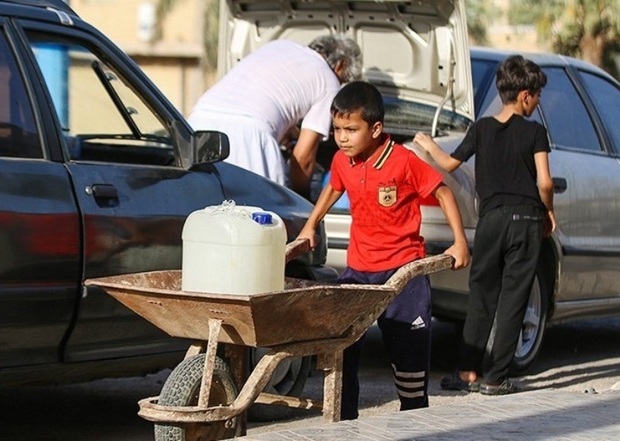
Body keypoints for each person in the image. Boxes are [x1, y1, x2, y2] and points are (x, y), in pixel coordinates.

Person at [298, 81, 470, 419]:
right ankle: (345, 422)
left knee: (408, 359)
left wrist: (460, 241)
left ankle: (414, 419)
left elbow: (443, 193)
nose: (342, 137)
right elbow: (333, 187)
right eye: (336, 129)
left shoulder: (403, 161)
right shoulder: (341, 160)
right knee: (343, 351)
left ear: (376, 129)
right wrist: (310, 223)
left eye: (351, 129)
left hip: (403, 272)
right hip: (359, 270)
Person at [414, 54, 557, 395]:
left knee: (481, 294)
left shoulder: (481, 129)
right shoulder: (536, 133)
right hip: (525, 220)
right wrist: (548, 212)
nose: (537, 104)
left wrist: (427, 144)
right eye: (537, 97)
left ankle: (467, 372)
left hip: (491, 220)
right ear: (525, 94)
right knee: (513, 297)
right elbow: (546, 183)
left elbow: (448, 162)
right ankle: (496, 377)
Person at [187, 35, 362, 199]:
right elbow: (302, 159)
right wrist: (303, 203)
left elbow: (266, 93)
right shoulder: (329, 81)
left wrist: (286, 130)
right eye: (342, 81)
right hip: (248, 137)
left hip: (197, 124)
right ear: (341, 65)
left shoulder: (279, 45)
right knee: (255, 221)